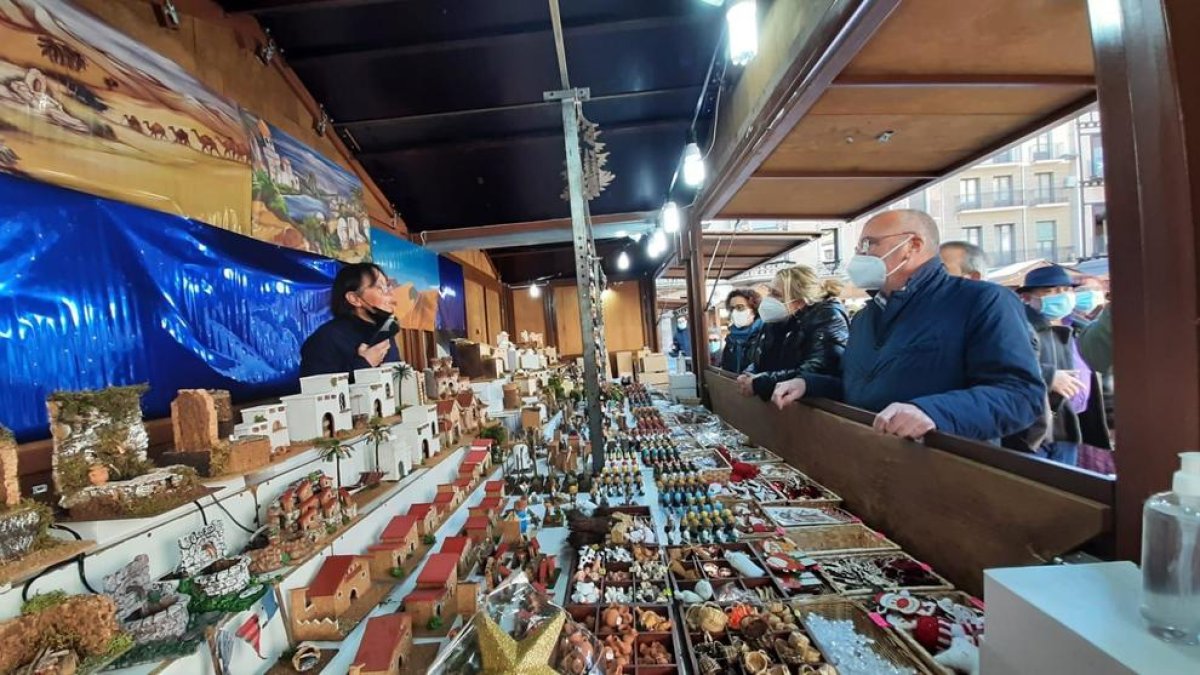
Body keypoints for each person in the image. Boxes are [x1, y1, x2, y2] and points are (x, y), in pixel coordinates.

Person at [771, 210, 1045, 442]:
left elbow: (1020, 396)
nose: (858, 256)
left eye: (868, 245)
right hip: (874, 460)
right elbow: (858, 389)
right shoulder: (866, 317)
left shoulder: (981, 301)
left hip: (947, 472)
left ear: (913, 245)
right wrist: (808, 384)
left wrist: (934, 412)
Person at [1016, 265, 1110, 465]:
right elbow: (1010, 368)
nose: (1062, 296)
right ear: (1027, 297)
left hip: (1077, 425)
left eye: (1066, 290)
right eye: (1050, 291)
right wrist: (1049, 377)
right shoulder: (1020, 328)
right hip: (1041, 431)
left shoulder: (1080, 327)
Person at [736, 265, 849, 401]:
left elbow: (817, 369)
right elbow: (760, 360)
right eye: (770, 292)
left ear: (799, 302)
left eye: (776, 294)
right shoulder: (775, 321)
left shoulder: (828, 317)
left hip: (815, 410)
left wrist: (761, 382)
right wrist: (750, 373)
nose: (769, 299)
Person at [300, 262, 400, 379]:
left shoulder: (385, 332)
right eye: (380, 288)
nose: (390, 294)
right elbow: (315, 391)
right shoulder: (325, 339)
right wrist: (364, 363)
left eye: (388, 286)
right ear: (355, 299)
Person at [719, 289, 763, 373]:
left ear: (754, 309)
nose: (735, 312)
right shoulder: (731, 341)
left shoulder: (764, 336)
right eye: (732, 309)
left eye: (740, 307)